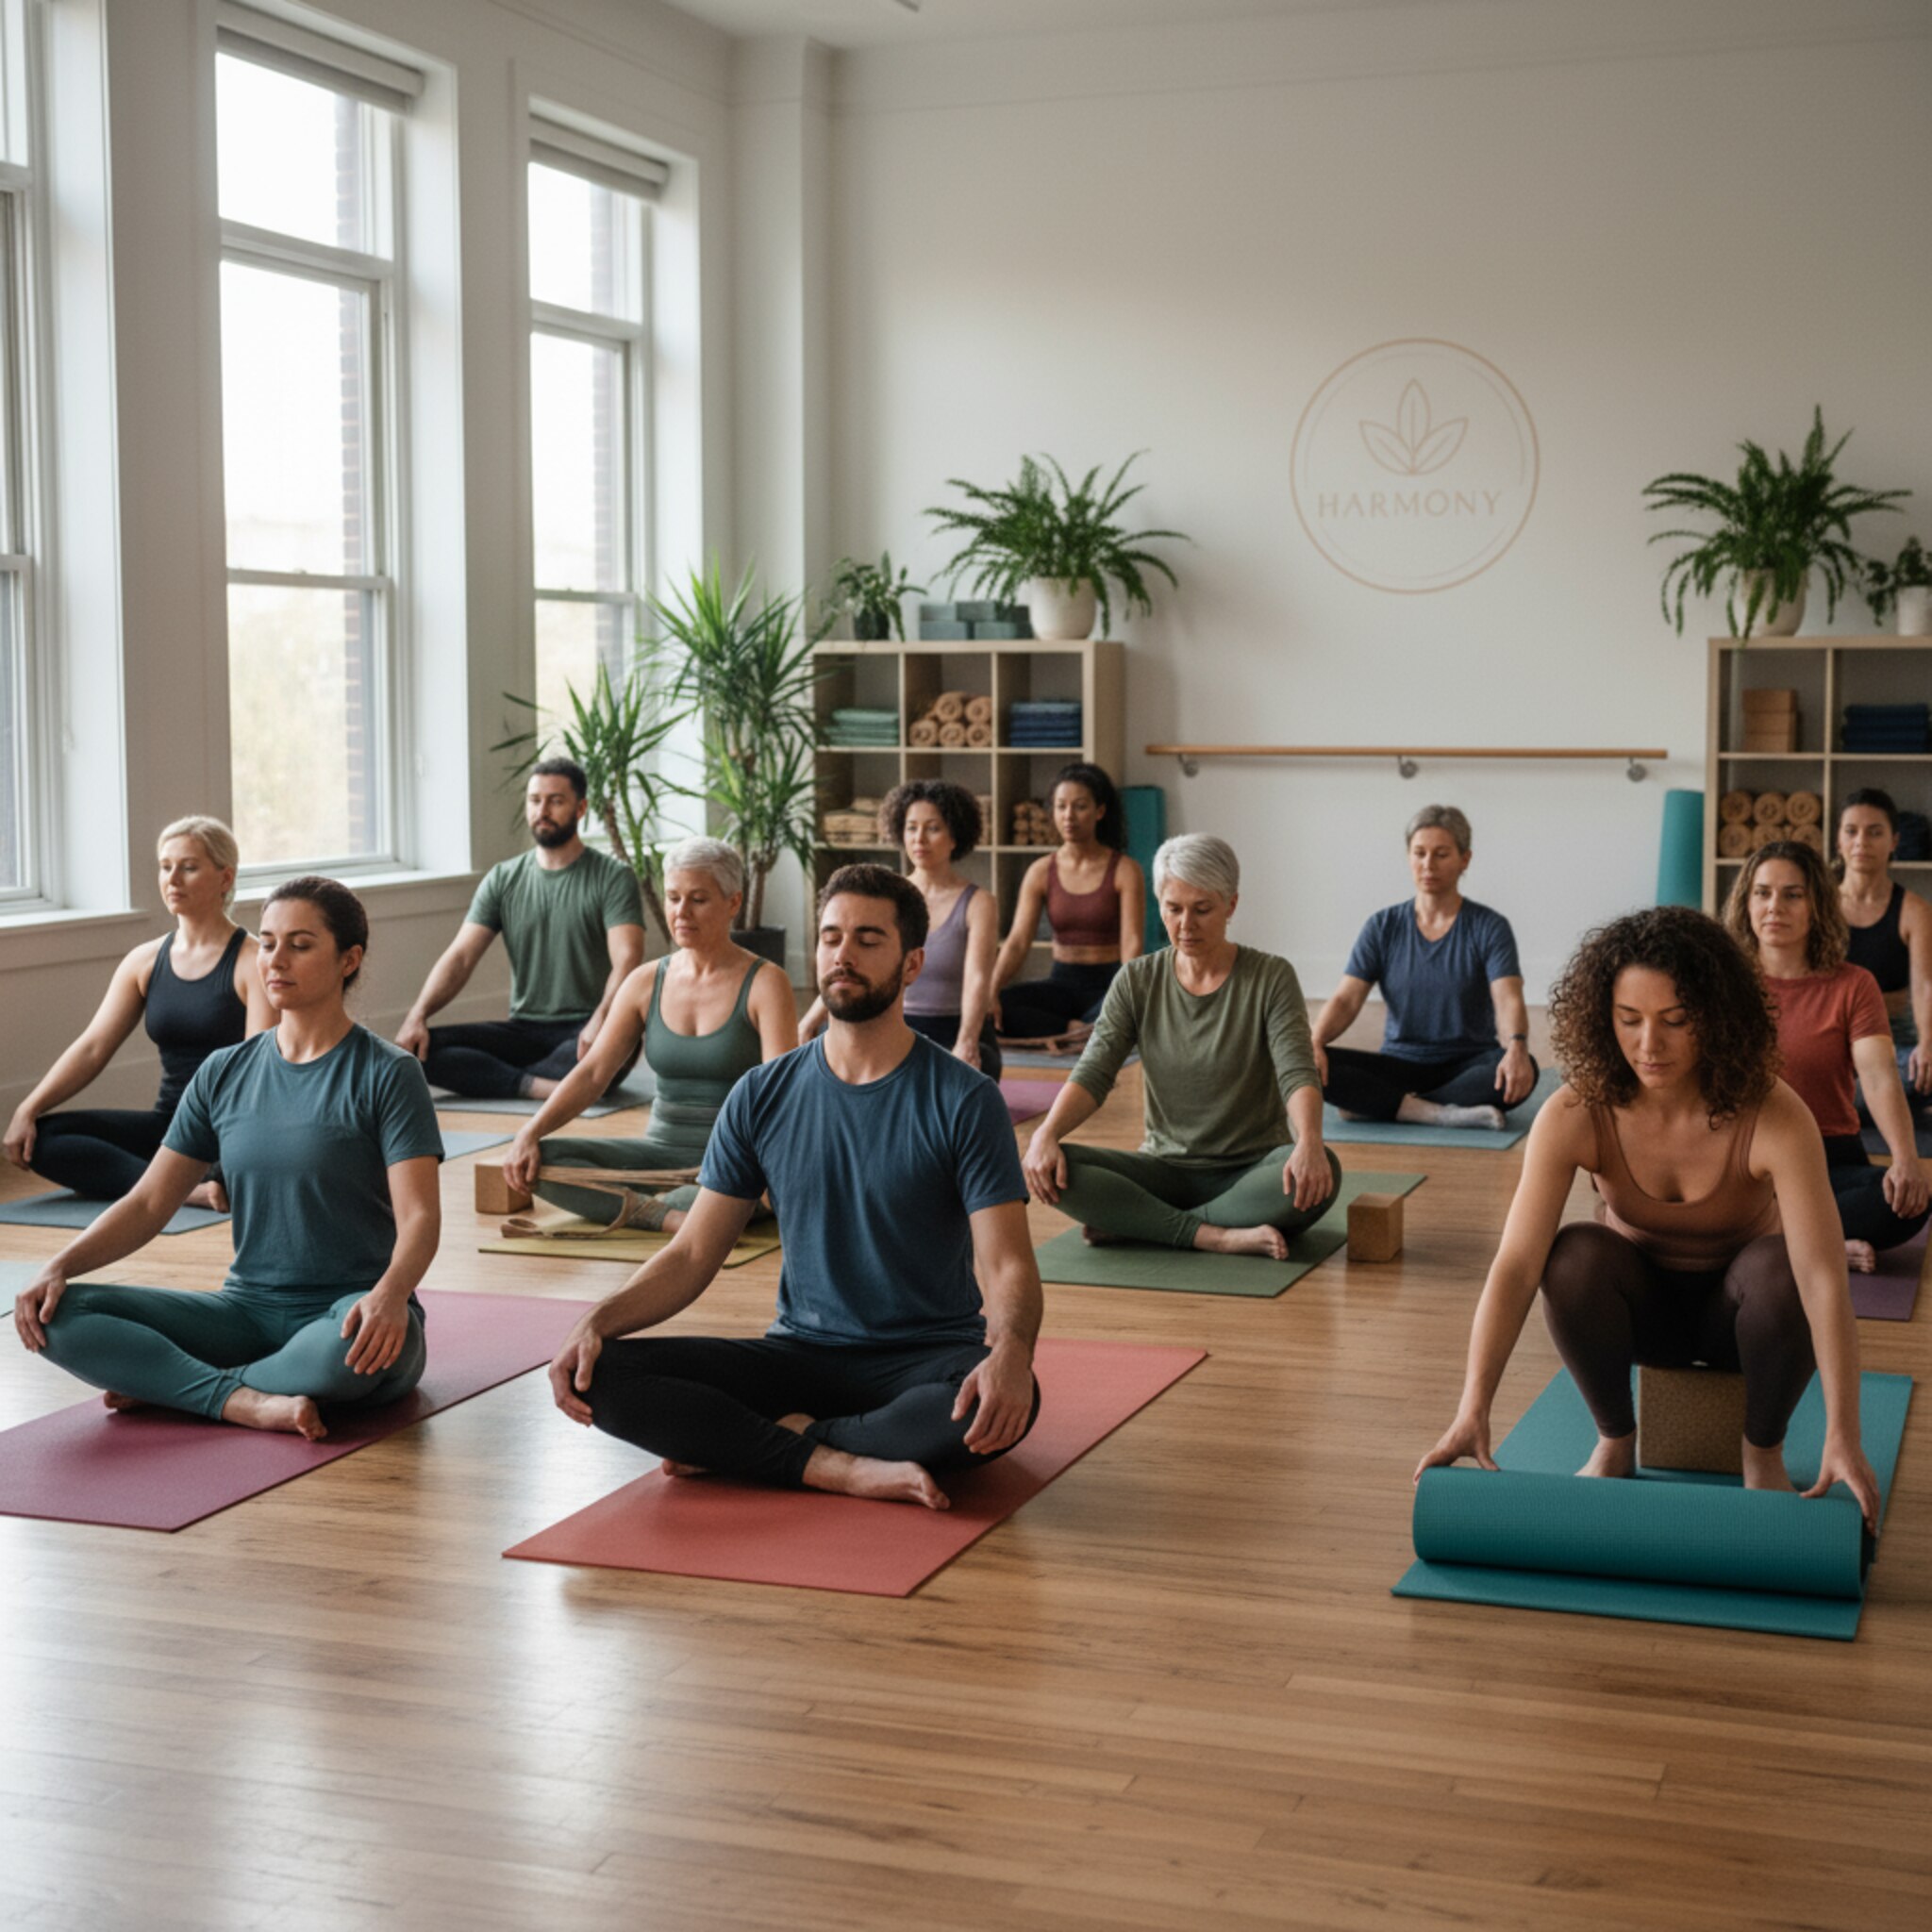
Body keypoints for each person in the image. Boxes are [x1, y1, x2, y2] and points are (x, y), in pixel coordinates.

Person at [545, 863, 1042, 1510]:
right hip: (797, 1356)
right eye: (832, 937)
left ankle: (777, 1446)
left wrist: (1011, 1354)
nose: (844, 954)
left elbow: (1006, 1264)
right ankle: (838, 1465)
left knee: (1003, 1406)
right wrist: (595, 1321)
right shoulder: (761, 1093)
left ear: (912, 963)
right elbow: (695, 1253)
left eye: (868, 940)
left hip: (921, 1362)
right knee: (599, 1374)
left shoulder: (963, 1098)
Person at [1415, 906, 1879, 1530]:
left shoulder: (1774, 1113)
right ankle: (1615, 1438)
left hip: (1746, 1324)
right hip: (1642, 1318)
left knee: (1784, 1269)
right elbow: (1516, 1266)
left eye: (1675, 1021)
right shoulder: (1577, 1110)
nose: (1648, 1045)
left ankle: (1761, 1449)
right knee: (1573, 1254)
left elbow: (1824, 1278)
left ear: (1715, 1019)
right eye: (1629, 1020)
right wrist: (1472, 1408)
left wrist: (1843, 1434)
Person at [12, 880, 443, 1441]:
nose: (276, 960)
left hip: (350, 1312)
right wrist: (57, 1268)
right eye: (266, 943)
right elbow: (148, 1202)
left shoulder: (388, 1073)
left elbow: (421, 1219)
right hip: (244, 1312)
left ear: (349, 959)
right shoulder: (222, 1071)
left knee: (351, 1355)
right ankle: (245, 1400)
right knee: (57, 1315)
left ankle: (185, 1389)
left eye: (301, 944)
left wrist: (388, 1296)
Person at [1021, 834, 1340, 1258]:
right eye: (1173, 909)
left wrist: (1310, 1142)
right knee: (1058, 1166)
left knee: (1321, 1173)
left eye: (1202, 909)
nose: (1185, 926)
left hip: (1250, 1171)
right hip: (1162, 1170)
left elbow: (1296, 1070)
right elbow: (1094, 1072)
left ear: (1231, 905)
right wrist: (1046, 1133)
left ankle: (1144, 1223)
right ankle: (1215, 1234)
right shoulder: (1136, 980)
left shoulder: (1271, 977)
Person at [501, 838, 798, 1235]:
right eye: (673, 897)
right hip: (658, 1156)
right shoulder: (644, 982)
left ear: (733, 903)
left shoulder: (765, 982)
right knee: (543, 1161)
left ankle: (665, 1209)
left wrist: (766, 1167)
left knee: (730, 1192)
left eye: (698, 899)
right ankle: (667, 1215)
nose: (681, 912)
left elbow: (783, 1094)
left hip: (736, 1160)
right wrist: (530, 1131)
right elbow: (593, 1073)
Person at [4, 817, 273, 1209]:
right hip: (168, 1126)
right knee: (41, 1139)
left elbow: (261, 1071)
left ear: (225, 878)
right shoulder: (144, 961)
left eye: (189, 867)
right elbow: (93, 1048)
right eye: (166, 867)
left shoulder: (252, 962)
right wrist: (28, 1109)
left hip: (228, 1129)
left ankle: (174, 1181)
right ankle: (190, 1191)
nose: (172, 879)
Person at [1724, 841, 1930, 1270]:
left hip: (1828, 1158)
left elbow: (1877, 1076)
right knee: (1700, 1196)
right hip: (1744, 1161)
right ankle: (1824, 1243)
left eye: (1792, 894)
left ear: (1817, 904)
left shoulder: (1854, 984)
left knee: (1903, 1203)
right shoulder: (1724, 983)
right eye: (1762, 893)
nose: (1774, 906)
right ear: (1746, 902)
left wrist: (1905, 1158)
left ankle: (1768, 1231)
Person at [398, 759, 646, 1101]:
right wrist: (417, 1015)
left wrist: (601, 1020)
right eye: (534, 800)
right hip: (524, 1030)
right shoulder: (503, 879)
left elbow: (628, 959)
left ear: (581, 808)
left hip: (587, 1025)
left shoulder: (613, 877)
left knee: (607, 1052)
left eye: (555, 801)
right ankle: (542, 1087)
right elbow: (461, 957)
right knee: (415, 1052)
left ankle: (507, 1080)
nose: (542, 810)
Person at [1311, 805, 1538, 1131]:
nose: (1428, 865)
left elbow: (1508, 999)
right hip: (1400, 1062)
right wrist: (1315, 1042)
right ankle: (1437, 1112)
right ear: (1408, 857)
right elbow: (1346, 999)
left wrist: (1516, 1046)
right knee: (1306, 1065)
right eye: (1419, 853)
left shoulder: (1490, 927)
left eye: (1441, 854)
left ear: (1465, 859)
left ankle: (1385, 1104)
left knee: (1522, 1069)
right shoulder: (1382, 926)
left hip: (1468, 1062)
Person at [800, 780, 1001, 1080]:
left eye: (932, 828)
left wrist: (966, 1043)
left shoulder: (979, 902)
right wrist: (808, 1021)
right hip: (891, 1028)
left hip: (954, 1030)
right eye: (911, 828)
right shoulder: (886, 898)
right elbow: (847, 961)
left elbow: (978, 979)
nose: (919, 838)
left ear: (955, 836)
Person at [991, 761, 1145, 1043]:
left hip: (1108, 984)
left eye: (1080, 806)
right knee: (999, 1007)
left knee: (1129, 1009)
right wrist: (989, 991)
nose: (1069, 816)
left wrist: (1127, 995)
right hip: (1061, 983)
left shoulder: (1125, 869)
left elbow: (1132, 942)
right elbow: (1016, 942)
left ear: (1100, 811)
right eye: (1061, 806)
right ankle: (1077, 1032)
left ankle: (1075, 1031)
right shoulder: (1040, 871)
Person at [1836, 787, 1932, 1132]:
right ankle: (1878, 1105)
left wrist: (1927, 1045)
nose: (1862, 841)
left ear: (1893, 841)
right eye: (1852, 831)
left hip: (1894, 1049)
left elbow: (1924, 986)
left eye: (1875, 832)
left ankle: (1860, 1103)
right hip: (1831, 1047)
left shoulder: (1915, 911)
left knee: (1919, 1073)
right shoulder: (1816, 905)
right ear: (1839, 840)